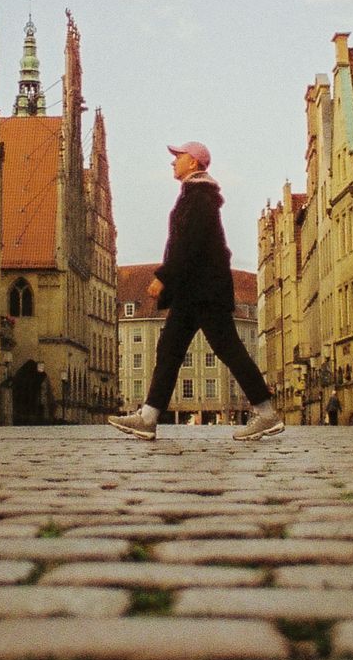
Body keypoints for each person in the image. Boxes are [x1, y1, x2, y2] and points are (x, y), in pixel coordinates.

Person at [111, 142, 283, 441]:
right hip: (195, 291)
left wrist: (164, 276)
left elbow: (187, 243)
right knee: (170, 350)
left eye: (178, 157)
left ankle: (266, 413)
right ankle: (149, 416)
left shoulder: (199, 197)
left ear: (193, 162)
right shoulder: (195, 195)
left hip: (204, 291)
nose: (173, 162)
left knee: (227, 348)